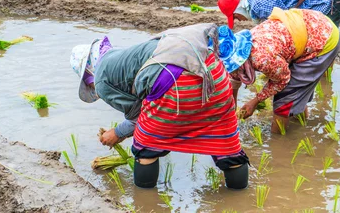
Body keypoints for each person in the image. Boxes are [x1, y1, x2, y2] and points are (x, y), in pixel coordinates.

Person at [70, 24, 250, 190]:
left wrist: (116, 133)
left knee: (146, 142)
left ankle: (145, 202)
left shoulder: (102, 79)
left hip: (177, 82)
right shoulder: (123, 57)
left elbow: (138, 118)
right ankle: (241, 200)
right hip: (216, 74)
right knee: (223, 139)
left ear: (88, 74)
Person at [219, 8, 340, 134]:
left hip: (323, 39)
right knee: (295, 91)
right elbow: (233, 76)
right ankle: (301, 124)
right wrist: (231, 112)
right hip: (309, 25)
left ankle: (278, 140)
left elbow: (282, 81)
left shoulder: (262, 59)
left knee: (286, 97)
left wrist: (255, 101)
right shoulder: (241, 44)